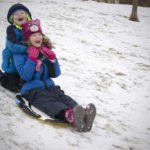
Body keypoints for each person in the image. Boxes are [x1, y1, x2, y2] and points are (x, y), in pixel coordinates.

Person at [13, 19, 96, 132]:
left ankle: (82, 113)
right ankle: (70, 115)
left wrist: (52, 59)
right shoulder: (19, 55)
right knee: (49, 101)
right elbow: (25, 76)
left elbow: (55, 74)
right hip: (31, 89)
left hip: (49, 85)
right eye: (33, 35)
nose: (38, 37)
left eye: (39, 34)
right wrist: (32, 59)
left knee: (62, 96)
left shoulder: (44, 51)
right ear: (27, 38)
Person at [0, 3, 32, 92]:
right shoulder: (11, 29)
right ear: (12, 18)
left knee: (28, 85)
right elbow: (13, 45)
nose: (19, 15)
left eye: (22, 13)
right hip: (12, 64)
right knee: (14, 87)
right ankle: (2, 77)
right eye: (16, 14)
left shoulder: (33, 28)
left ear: (27, 16)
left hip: (26, 64)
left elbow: (40, 39)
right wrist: (29, 48)